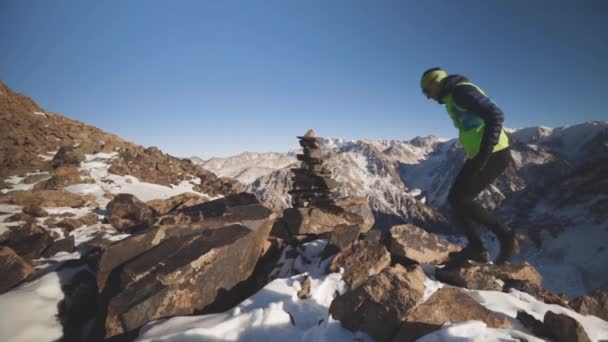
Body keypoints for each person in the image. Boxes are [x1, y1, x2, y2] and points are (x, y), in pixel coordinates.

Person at [420, 67, 518, 264]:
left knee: (461, 199)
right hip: (482, 154)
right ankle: (477, 249)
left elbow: (495, 115)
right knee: (457, 199)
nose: (429, 97)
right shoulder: (453, 95)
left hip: (493, 154)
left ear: (436, 83)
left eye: (427, 91)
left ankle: (505, 237)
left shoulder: (461, 92)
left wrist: (484, 152)